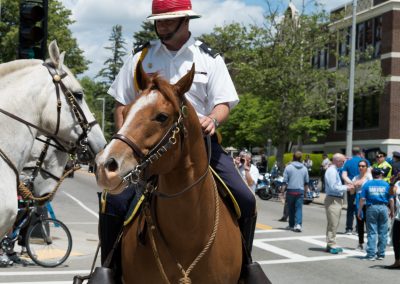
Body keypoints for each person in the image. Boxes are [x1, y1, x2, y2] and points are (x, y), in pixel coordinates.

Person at [107, 0, 257, 267]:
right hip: (150, 148)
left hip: (200, 145)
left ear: (185, 21)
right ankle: (108, 268)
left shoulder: (208, 57)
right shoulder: (141, 56)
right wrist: (125, 143)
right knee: (114, 201)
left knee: (245, 199)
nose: (160, 25)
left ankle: (246, 266)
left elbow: (223, 102)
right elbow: (122, 104)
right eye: (158, 20)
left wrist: (213, 118)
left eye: (167, 20)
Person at [358, 167, 394, 260]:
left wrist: (360, 210)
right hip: (384, 207)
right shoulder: (386, 184)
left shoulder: (367, 184)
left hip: (371, 207)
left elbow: (362, 199)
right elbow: (391, 199)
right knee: (383, 232)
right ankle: (381, 254)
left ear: (372, 174)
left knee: (372, 231)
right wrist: (392, 211)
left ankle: (371, 254)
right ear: (381, 175)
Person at [324, 153, 355, 254]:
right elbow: (334, 187)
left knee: (333, 223)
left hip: (335, 199)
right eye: (342, 161)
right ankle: (331, 243)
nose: (343, 163)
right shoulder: (332, 171)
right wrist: (347, 187)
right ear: (337, 161)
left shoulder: (334, 170)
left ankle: (330, 243)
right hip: (333, 199)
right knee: (333, 223)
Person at [341, 146, 370, 235]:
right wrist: (359, 182)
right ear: (360, 152)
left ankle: (349, 228)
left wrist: (351, 183)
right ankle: (358, 228)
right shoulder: (365, 161)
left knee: (350, 208)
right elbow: (368, 174)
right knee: (361, 208)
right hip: (363, 188)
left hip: (351, 188)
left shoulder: (348, 162)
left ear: (352, 152)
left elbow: (344, 175)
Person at [282, 151, 309, 232]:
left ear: (293, 157)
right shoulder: (304, 168)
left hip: (290, 190)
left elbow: (285, 181)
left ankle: (291, 225)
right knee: (299, 208)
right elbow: (306, 182)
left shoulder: (288, 167)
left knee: (291, 208)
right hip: (300, 191)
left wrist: (282, 191)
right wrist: (305, 193)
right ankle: (298, 225)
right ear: (301, 158)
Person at [352, 159, 372, 251]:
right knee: (359, 223)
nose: (361, 167)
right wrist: (353, 187)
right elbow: (352, 192)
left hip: (367, 202)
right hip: (358, 201)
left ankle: (369, 244)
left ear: (366, 167)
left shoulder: (369, 177)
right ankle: (360, 243)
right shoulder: (355, 177)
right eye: (359, 166)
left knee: (368, 224)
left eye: (363, 166)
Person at [385, 175, 400, 268]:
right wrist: (393, 181)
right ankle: (397, 261)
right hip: (398, 216)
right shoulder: (398, 183)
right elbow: (391, 192)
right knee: (396, 240)